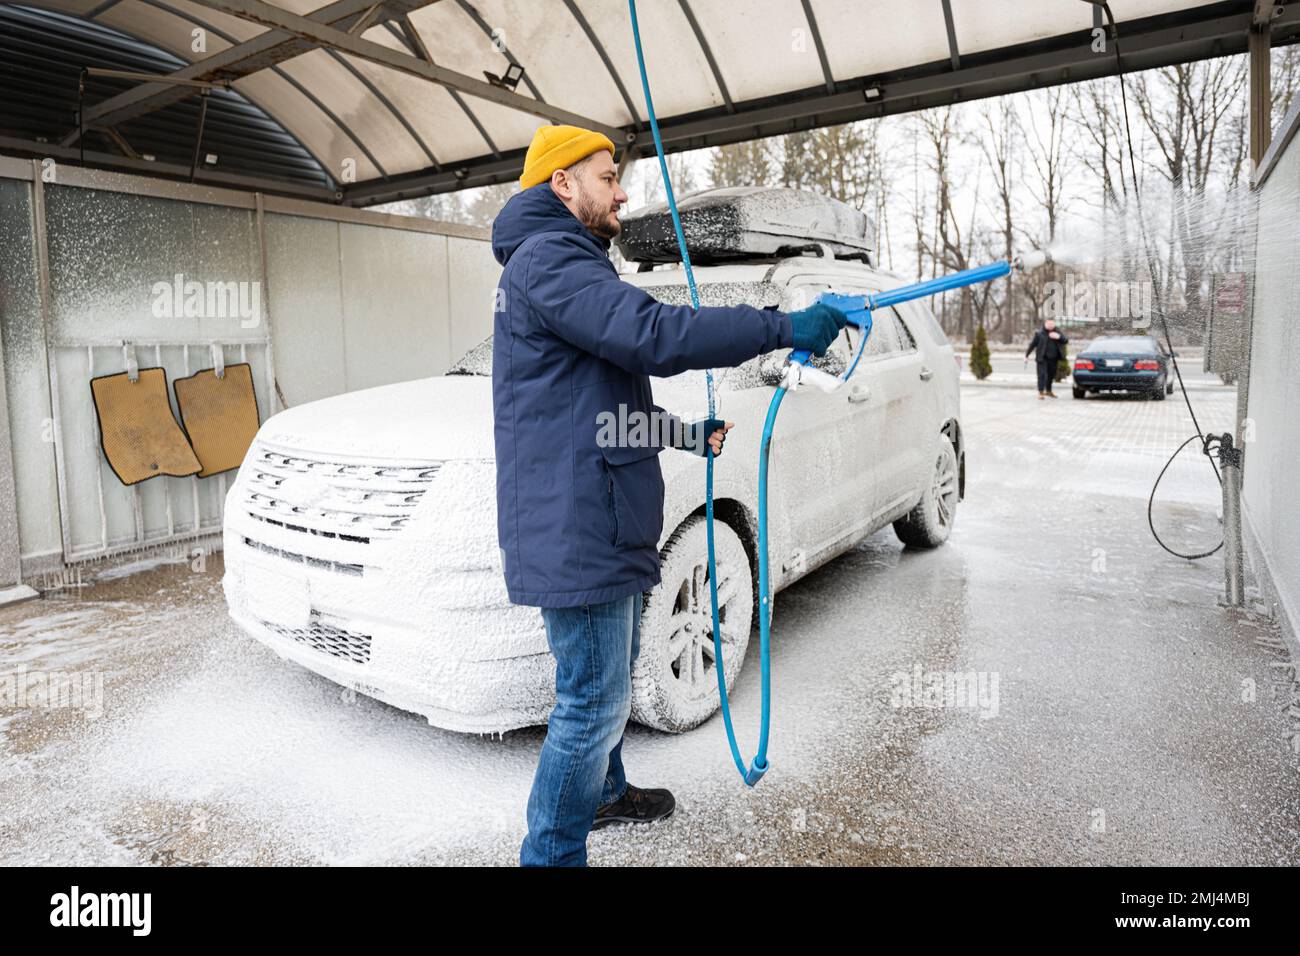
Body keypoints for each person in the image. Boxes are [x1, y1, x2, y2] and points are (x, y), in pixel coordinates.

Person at [491, 124, 849, 867]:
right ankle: (549, 855)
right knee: (590, 702)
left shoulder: (564, 262)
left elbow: (590, 400)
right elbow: (652, 334)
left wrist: (683, 436)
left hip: (600, 512)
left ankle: (604, 792)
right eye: (605, 176)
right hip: (578, 521)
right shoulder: (550, 260)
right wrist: (782, 326)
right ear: (562, 184)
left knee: (604, 686)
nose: (622, 191)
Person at [1024, 318, 1069, 399]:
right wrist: (1026, 355)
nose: (1051, 326)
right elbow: (1032, 345)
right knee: (1042, 375)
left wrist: (1058, 337)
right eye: (1049, 325)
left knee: (1051, 375)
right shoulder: (1039, 333)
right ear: (1045, 324)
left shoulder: (1057, 332)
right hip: (1042, 358)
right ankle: (1041, 392)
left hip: (1054, 358)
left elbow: (1065, 341)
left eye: (1052, 325)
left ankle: (1048, 391)